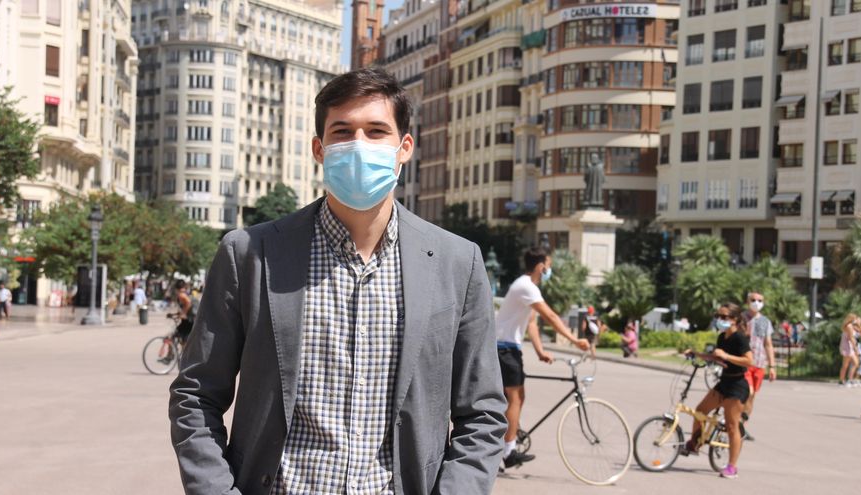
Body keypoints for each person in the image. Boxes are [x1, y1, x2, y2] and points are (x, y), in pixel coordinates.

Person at [169, 68, 507, 495]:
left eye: (376, 131)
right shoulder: (249, 255)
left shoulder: (457, 263)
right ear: (319, 148)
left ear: (404, 148)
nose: (359, 145)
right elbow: (195, 395)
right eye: (343, 132)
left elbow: (483, 412)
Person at [494, 246, 589, 470]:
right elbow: (551, 316)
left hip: (509, 348)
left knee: (518, 398)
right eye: (549, 266)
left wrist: (540, 351)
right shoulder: (526, 286)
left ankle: (507, 443)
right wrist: (576, 342)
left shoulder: (528, 287)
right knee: (514, 399)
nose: (549, 270)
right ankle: (508, 452)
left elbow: (532, 323)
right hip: (504, 348)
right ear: (540, 266)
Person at [682, 303, 753, 479]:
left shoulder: (739, 338)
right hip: (724, 382)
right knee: (700, 411)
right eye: (718, 316)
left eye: (724, 317)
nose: (720, 320)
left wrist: (727, 356)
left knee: (731, 426)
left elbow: (748, 360)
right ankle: (695, 443)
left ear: (735, 319)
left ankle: (732, 467)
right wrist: (697, 354)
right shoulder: (722, 337)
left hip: (737, 386)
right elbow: (716, 356)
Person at [742, 292, 776, 439]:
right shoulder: (741, 318)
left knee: (752, 397)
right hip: (744, 362)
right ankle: (734, 422)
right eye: (753, 300)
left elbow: (768, 344)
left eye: (759, 300)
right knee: (746, 392)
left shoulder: (765, 321)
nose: (756, 302)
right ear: (747, 301)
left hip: (759, 364)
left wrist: (772, 366)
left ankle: (741, 425)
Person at [839, 314, 861, 387]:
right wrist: (856, 349)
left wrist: (858, 325)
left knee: (855, 363)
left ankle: (848, 380)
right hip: (847, 347)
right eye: (854, 318)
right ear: (851, 319)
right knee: (846, 365)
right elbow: (851, 338)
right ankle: (843, 381)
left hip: (849, 346)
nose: (855, 320)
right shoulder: (849, 326)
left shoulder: (850, 326)